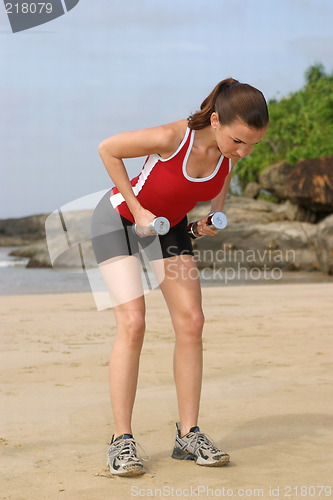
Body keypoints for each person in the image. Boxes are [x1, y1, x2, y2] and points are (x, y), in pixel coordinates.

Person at [91, 78, 269, 477]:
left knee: (191, 321)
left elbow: (222, 178)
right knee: (133, 323)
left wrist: (211, 217)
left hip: (167, 227)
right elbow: (108, 149)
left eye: (252, 145)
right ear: (218, 120)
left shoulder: (231, 151)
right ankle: (122, 440)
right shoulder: (172, 137)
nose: (243, 151)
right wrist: (137, 211)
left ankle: (188, 435)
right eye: (239, 140)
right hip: (119, 220)